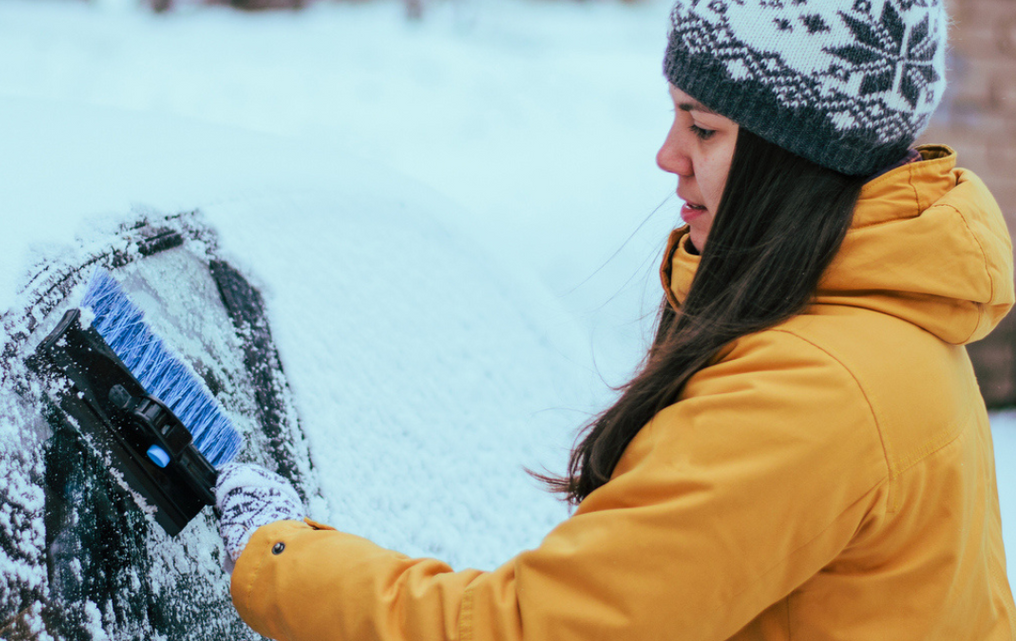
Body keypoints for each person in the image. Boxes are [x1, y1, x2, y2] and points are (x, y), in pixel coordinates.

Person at [214, 0, 1016, 638]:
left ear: (796, 157)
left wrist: (276, 556)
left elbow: (528, 631)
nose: (669, 153)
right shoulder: (889, 323)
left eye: (703, 126)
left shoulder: (813, 389)